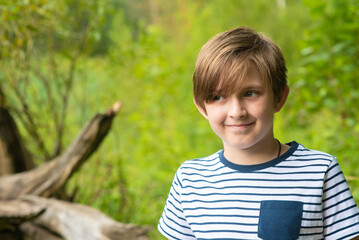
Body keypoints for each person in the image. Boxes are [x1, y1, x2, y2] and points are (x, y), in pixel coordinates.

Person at [158, 26, 359, 240]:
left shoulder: (320, 172)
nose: (237, 112)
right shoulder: (190, 180)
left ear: (280, 98)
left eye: (250, 93)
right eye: (218, 97)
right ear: (202, 107)